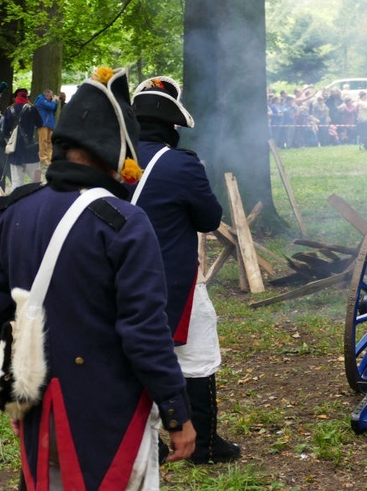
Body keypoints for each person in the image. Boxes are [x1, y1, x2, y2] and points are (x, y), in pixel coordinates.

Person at [0, 67, 196, 489]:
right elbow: (144, 331)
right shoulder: (124, 221)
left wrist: (16, 395)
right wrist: (177, 413)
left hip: (36, 399)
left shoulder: (13, 210)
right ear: (114, 150)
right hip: (107, 407)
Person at [129, 76, 241, 464]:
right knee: (197, 350)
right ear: (173, 126)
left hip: (110, 277)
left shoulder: (108, 160)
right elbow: (209, 217)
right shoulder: (182, 164)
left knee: (125, 354)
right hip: (168, 278)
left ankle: (145, 440)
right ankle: (204, 443)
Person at [2, 88, 42, 187]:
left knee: (16, 182)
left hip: (15, 150)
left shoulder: (9, 110)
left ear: (15, 97)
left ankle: (17, 202)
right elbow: (40, 124)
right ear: (26, 96)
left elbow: (5, 132)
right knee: (37, 181)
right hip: (30, 149)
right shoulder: (32, 109)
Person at [34, 89, 59, 166]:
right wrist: (54, 101)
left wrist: (55, 102)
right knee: (43, 141)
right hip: (43, 124)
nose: (52, 97)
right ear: (47, 95)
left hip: (50, 123)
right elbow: (50, 107)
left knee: (49, 141)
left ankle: (49, 157)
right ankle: (43, 158)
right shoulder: (41, 101)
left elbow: (54, 109)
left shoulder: (49, 102)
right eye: (51, 95)